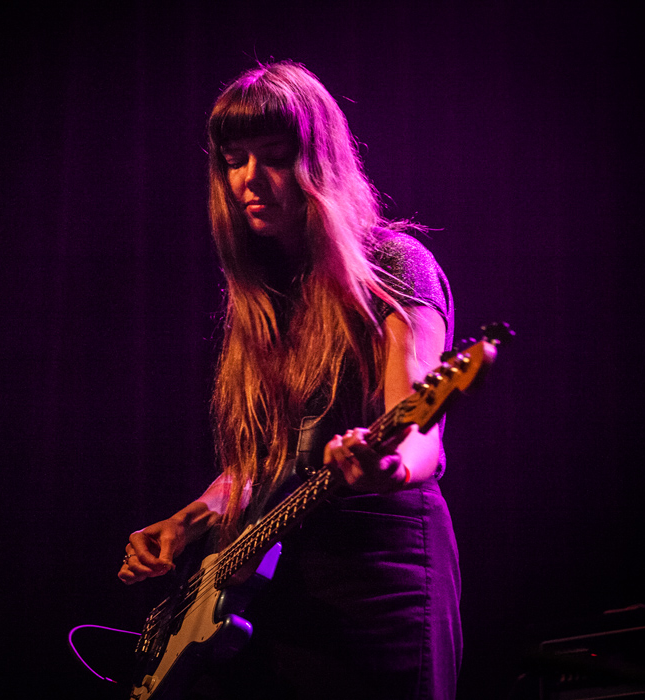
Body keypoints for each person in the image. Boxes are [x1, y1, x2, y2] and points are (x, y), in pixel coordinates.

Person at [118, 61, 461, 700]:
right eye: (233, 159)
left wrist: (389, 467)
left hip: (378, 576)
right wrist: (189, 520)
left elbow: (418, 425)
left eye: (274, 156)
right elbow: (269, 461)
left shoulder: (391, 265)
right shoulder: (265, 297)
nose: (250, 180)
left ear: (320, 164)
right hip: (281, 584)